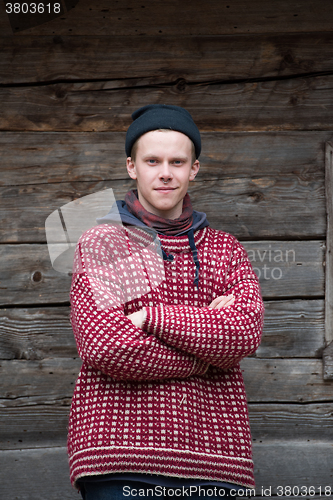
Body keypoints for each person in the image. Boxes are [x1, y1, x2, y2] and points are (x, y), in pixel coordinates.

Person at [67, 104, 264, 499]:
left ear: (193, 169)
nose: (165, 173)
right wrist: (205, 353)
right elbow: (106, 347)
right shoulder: (103, 243)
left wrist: (148, 317)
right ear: (131, 166)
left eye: (177, 161)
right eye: (152, 160)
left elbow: (242, 334)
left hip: (215, 457)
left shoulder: (225, 249)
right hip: (118, 455)